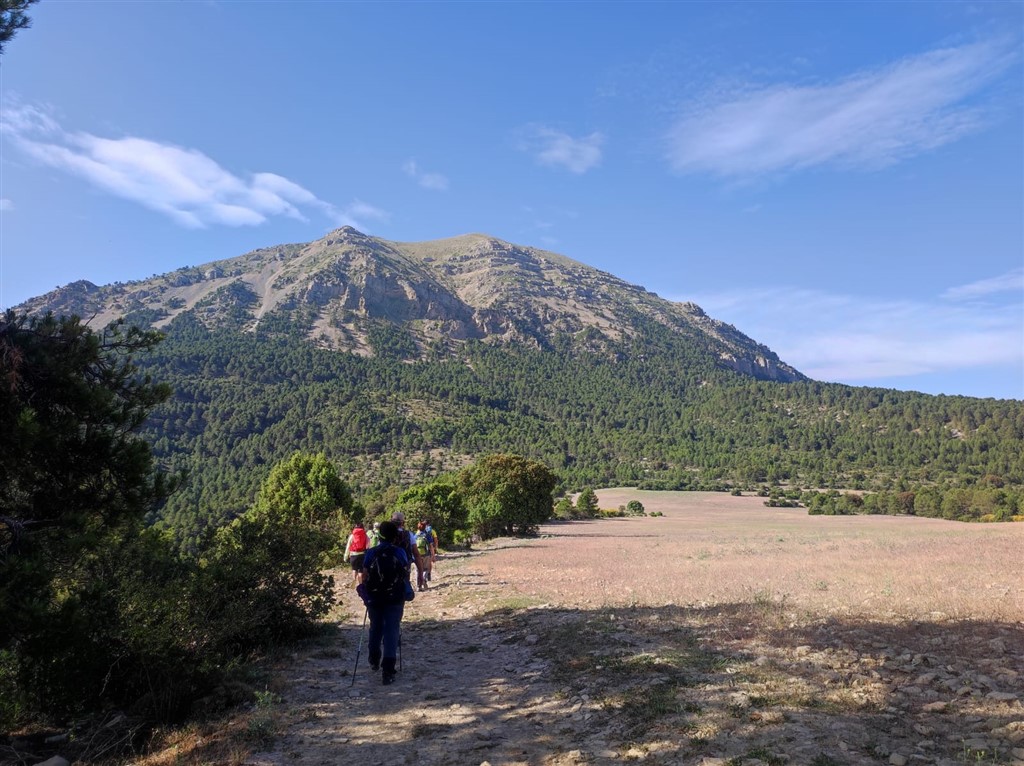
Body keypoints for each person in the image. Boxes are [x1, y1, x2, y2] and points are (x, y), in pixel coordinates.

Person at [358, 521, 410, 685]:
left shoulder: (371, 553)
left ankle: (374, 658)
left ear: (379, 535)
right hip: (395, 597)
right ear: (395, 536)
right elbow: (405, 571)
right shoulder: (400, 552)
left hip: (374, 597)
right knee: (392, 629)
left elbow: (364, 574)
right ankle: (388, 669)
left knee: (376, 626)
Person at [391, 511, 424, 591]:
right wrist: (420, 573)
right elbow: (416, 554)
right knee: (402, 590)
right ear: (403, 522)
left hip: (388, 567)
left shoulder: (386, 534)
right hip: (405, 567)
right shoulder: (409, 534)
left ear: (391, 521)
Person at [343, 522, 368, 586]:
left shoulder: (352, 536)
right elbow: (368, 546)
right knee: (361, 570)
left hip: (353, 555)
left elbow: (348, 546)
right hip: (362, 555)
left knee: (354, 569)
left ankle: (354, 580)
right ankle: (360, 584)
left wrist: (345, 556)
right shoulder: (365, 535)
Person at [414, 520, 432, 589]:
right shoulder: (427, 535)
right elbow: (430, 545)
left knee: (418, 570)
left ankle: (419, 586)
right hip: (426, 554)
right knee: (425, 569)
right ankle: (424, 579)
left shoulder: (415, 535)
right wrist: (433, 555)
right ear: (425, 527)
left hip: (417, 555)